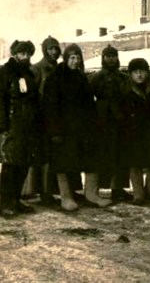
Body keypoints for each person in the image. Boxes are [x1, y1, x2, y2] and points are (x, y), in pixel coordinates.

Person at [43, 44, 111, 211]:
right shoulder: (55, 78)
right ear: (65, 59)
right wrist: (55, 132)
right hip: (64, 130)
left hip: (83, 129)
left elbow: (89, 104)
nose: (75, 61)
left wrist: (94, 126)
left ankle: (91, 194)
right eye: (72, 58)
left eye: (78, 58)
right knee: (63, 164)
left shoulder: (81, 78)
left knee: (90, 161)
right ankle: (65, 197)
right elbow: (50, 108)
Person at [0, 40, 41, 219]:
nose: (25, 57)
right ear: (15, 54)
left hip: (27, 129)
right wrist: (1, 126)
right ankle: (6, 205)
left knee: (23, 165)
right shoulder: (3, 73)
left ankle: (16, 200)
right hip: (10, 128)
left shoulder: (29, 74)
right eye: (22, 53)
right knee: (10, 167)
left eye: (28, 54)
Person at [21, 35, 61, 206]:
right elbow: (30, 94)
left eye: (56, 48)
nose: (54, 51)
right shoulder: (37, 69)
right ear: (45, 50)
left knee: (53, 156)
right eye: (51, 48)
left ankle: (49, 191)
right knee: (41, 156)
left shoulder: (59, 69)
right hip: (41, 118)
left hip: (56, 117)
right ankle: (37, 191)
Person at [88, 45, 132, 202]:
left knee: (120, 155)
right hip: (102, 121)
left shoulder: (124, 78)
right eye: (108, 56)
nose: (111, 59)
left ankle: (117, 188)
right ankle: (96, 189)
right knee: (103, 154)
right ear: (103, 58)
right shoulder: (95, 77)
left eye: (113, 56)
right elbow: (88, 98)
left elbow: (128, 97)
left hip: (120, 121)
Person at [120, 58, 150, 205]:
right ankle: (138, 194)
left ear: (147, 72)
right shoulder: (125, 90)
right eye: (135, 72)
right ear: (130, 74)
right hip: (133, 132)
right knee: (135, 163)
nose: (139, 75)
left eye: (142, 71)